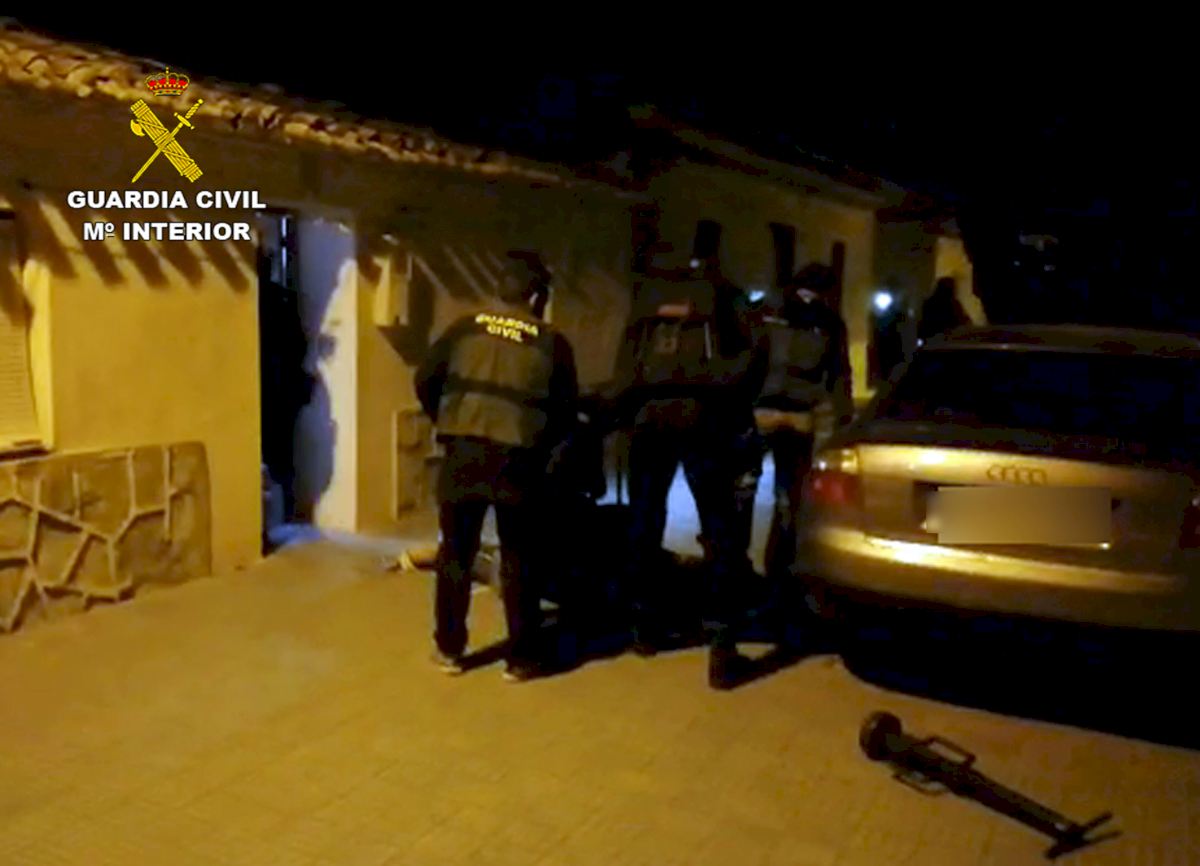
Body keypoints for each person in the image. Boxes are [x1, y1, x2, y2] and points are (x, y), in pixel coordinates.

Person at [414, 252, 578, 682]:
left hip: (462, 452)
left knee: (456, 554)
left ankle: (449, 649)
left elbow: (425, 378)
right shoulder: (551, 342)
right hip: (517, 460)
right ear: (537, 296)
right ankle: (521, 658)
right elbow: (565, 410)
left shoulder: (464, 328)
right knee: (519, 557)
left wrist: (448, 419)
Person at [610, 247, 764, 689]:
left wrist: (624, 412)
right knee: (719, 530)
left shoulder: (648, 298)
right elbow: (755, 355)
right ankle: (722, 645)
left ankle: (644, 629)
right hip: (706, 418)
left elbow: (625, 366)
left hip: (648, 419)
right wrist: (732, 407)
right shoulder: (725, 294)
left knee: (644, 522)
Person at [755, 263, 854, 585]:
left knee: (743, 492)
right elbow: (839, 374)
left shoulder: (767, 310)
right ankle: (780, 568)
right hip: (797, 414)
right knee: (789, 495)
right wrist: (843, 420)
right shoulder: (829, 322)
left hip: (759, 409)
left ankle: (737, 567)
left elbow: (747, 357)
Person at [916, 277, 971, 346]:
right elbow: (962, 321)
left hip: (930, 341)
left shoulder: (929, 303)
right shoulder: (953, 305)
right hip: (947, 342)